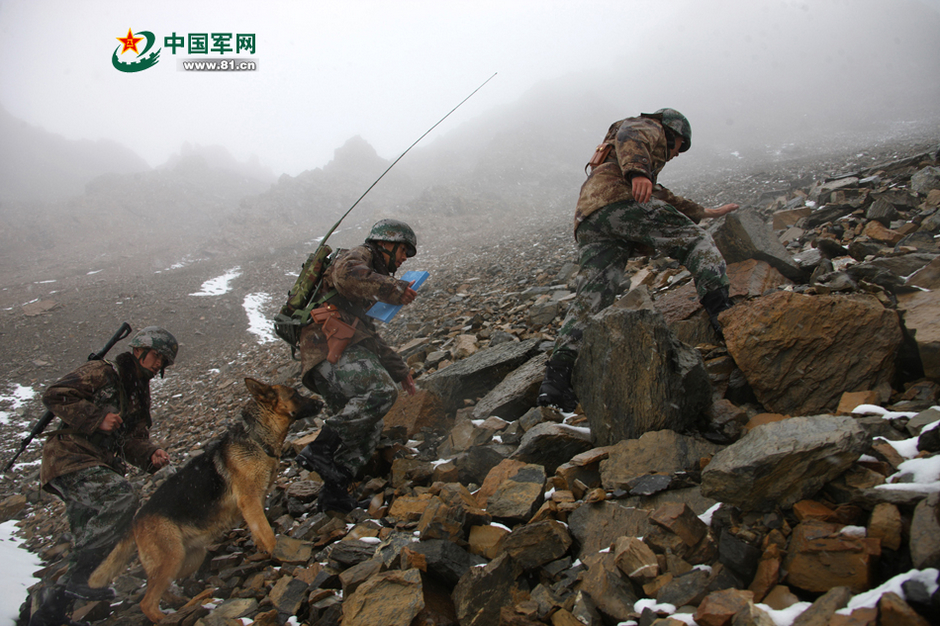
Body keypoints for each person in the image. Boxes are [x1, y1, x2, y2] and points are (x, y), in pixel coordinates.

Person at [537, 108, 739, 412]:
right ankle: (723, 314)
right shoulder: (647, 128)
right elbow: (633, 135)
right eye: (679, 146)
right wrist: (639, 172)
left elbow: (661, 195)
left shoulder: (619, 160)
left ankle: (555, 382)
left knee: (592, 298)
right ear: (672, 131)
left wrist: (705, 212)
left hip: (590, 217)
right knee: (696, 241)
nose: (677, 154)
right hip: (619, 202)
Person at [28, 326, 177, 626]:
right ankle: (82, 580)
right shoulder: (103, 372)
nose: (159, 363)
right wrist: (96, 418)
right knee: (121, 497)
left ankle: (44, 615)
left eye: (164, 361)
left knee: (88, 546)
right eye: (156, 356)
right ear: (138, 350)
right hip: (70, 459)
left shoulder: (139, 391)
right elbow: (55, 394)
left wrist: (149, 453)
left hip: (97, 465)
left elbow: (131, 439)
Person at [296, 219, 419, 514]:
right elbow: (348, 276)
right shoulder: (357, 256)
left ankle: (335, 494)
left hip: (338, 355)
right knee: (380, 391)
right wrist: (394, 288)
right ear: (385, 243)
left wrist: (401, 371)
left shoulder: (367, 284)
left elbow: (367, 336)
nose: (404, 259)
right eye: (403, 250)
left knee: (368, 427)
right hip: (326, 350)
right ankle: (319, 448)